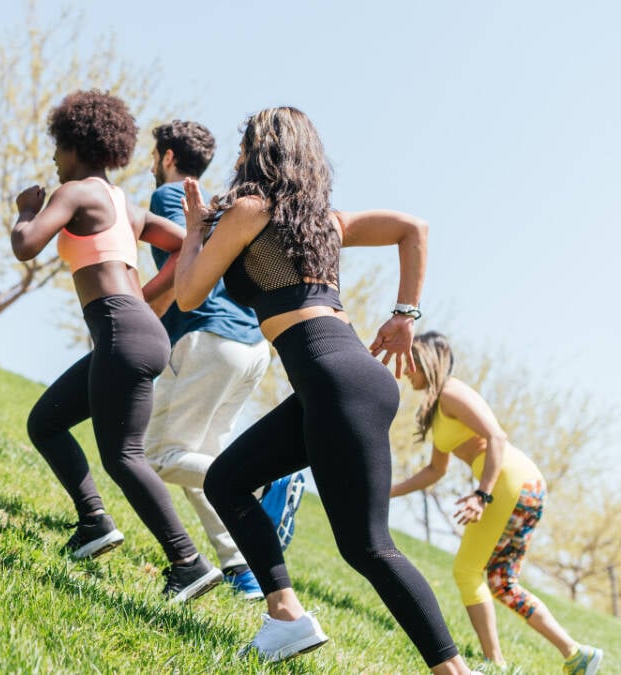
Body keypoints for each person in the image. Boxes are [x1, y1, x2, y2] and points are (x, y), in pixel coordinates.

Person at [175, 106, 476, 674]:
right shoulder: (325, 222)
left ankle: (455, 671)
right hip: (338, 379)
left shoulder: (251, 208)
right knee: (228, 480)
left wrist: (194, 231)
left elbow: (189, 294)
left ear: (259, 150)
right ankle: (286, 617)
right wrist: (405, 313)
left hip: (337, 380)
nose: (238, 156)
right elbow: (415, 229)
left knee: (368, 547)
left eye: (245, 145)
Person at [11, 90, 222, 603]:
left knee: (124, 456)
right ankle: (94, 523)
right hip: (136, 332)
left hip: (121, 332)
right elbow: (188, 243)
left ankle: (188, 563)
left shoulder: (76, 193)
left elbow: (26, 246)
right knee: (46, 422)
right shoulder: (124, 205)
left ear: (77, 146)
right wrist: (147, 297)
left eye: (57, 150)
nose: (54, 161)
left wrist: (25, 210)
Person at [143, 120, 307, 601]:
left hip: (208, 340)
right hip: (251, 347)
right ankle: (242, 567)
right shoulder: (218, 206)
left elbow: (179, 260)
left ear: (167, 157)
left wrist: (137, 302)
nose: (153, 164)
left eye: (155, 155)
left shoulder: (171, 196)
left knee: (157, 457)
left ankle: (264, 487)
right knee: (202, 458)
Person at [391, 332, 604, 675]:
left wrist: (482, 494)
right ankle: (577, 654)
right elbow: (434, 471)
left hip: (507, 481)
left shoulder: (450, 392)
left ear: (428, 359)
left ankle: (496, 665)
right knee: (502, 581)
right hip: (521, 482)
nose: (404, 370)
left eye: (410, 361)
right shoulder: (437, 406)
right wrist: (386, 493)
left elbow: (497, 436)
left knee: (466, 571)